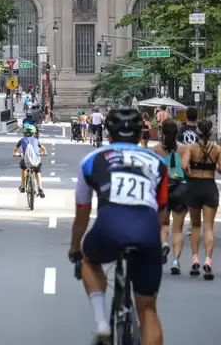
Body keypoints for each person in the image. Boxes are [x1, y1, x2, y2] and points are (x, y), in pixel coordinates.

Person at [69, 108, 167, 345]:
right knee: (148, 310)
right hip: (147, 233)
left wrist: (75, 248)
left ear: (107, 133)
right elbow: (162, 212)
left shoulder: (92, 160)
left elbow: (82, 212)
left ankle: (102, 324)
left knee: (89, 260)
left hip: (108, 229)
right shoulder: (158, 162)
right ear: (140, 133)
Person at [182, 119, 221, 280]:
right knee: (208, 227)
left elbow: (183, 165)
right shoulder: (217, 149)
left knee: (195, 226)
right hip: (210, 187)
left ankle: (195, 258)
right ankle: (208, 259)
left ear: (198, 133)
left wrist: (190, 171)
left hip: (194, 187)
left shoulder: (191, 148)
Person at [152, 119, 188, 274]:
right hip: (180, 188)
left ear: (162, 132)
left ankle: (163, 243)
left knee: (163, 224)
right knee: (178, 229)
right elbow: (187, 169)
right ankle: (176, 261)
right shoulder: (185, 149)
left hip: (163, 188)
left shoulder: (155, 150)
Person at [13, 125, 47, 198]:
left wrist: (16, 154)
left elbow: (15, 151)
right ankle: (40, 187)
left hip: (25, 160)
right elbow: (43, 149)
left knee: (23, 169)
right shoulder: (36, 140)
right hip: (36, 161)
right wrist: (43, 153)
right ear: (34, 133)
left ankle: (23, 186)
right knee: (37, 171)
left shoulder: (22, 140)